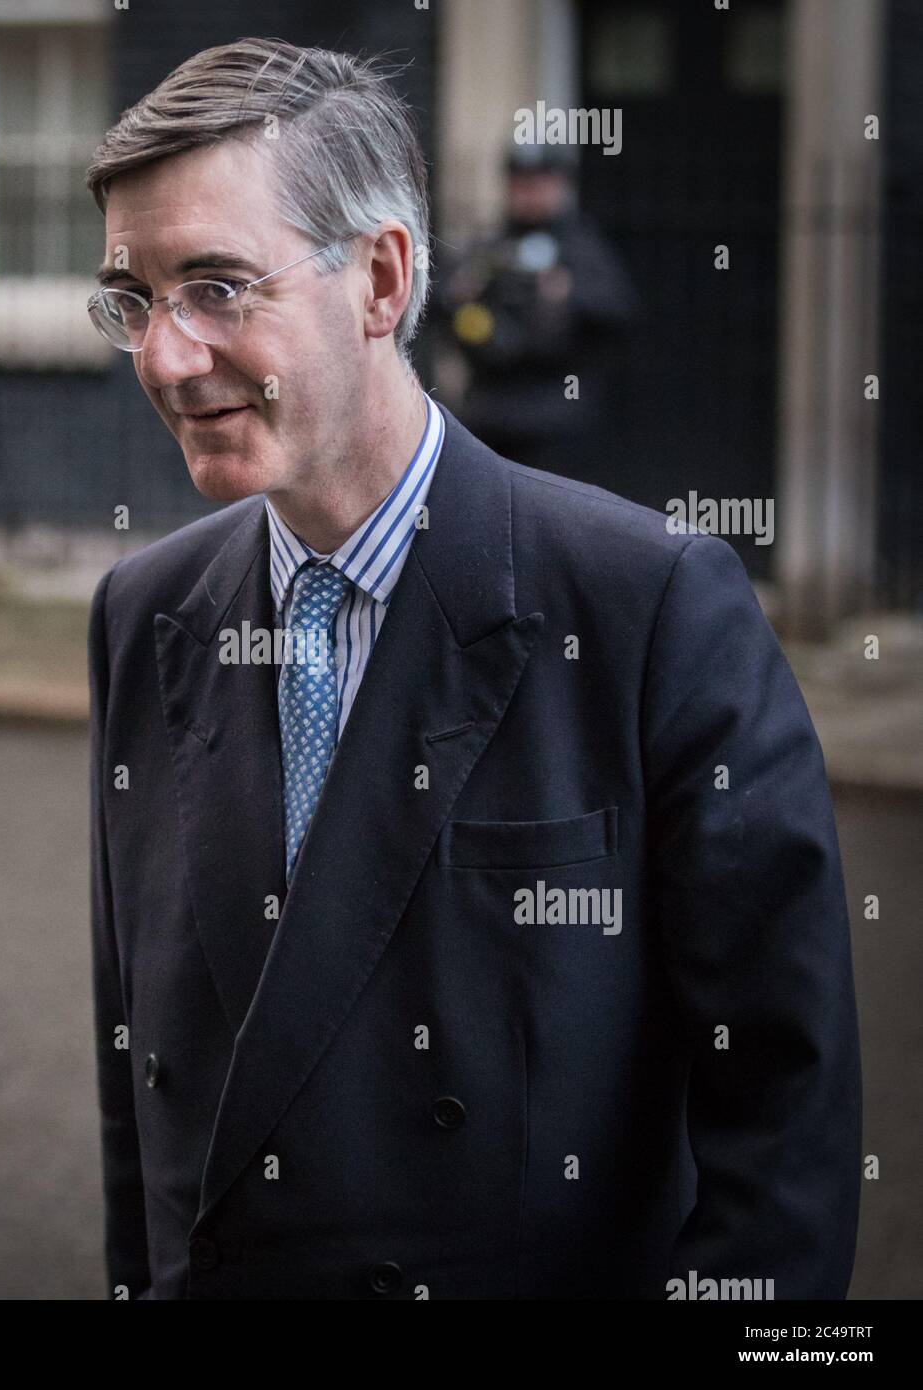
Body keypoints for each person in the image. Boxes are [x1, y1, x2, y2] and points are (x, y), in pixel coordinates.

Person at [82, 37, 861, 1300]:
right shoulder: (142, 612)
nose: (164, 358)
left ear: (379, 279)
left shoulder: (645, 607)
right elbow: (146, 1110)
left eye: (218, 287)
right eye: (134, 298)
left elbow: (785, 1116)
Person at [431, 142, 636, 470]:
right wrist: (462, 295)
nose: (530, 192)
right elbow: (436, 302)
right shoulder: (487, 248)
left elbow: (617, 312)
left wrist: (564, 294)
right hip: (488, 416)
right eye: (521, 182)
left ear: (562, 186)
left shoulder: (582, 249)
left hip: (556, 420)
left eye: (541, 182)